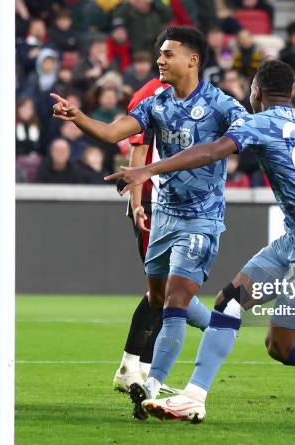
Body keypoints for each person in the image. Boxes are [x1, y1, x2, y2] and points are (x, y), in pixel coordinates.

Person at [108, 59, 295, 422]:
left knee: (281, 347)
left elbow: (213, 151)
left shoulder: (258, 122)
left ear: (256, 92)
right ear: (291, 93)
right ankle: (195, 395)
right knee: (229, 301)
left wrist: (149, 168)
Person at [51, 26, 248, 419]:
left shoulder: (224, 107)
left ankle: (152, 386)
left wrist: (148, 172)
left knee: (174, 301)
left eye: (168, 53)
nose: (160, 59)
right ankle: (220, 325)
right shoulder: (156, 102)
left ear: (192, 60)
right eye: (159, 53)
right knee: (158, 300)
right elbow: (112, 133)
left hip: (201, 218)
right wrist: (78, 117)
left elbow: (212, 151)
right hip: (164, 218)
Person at [112, 78, 206, 396]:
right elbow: (138, 152)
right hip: (153, 202)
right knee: (161, 290)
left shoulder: (191, 95)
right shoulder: (151, 95)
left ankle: (145, 372)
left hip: (173, 203)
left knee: (166, 291)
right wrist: (137, 204)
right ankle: (130, 367)